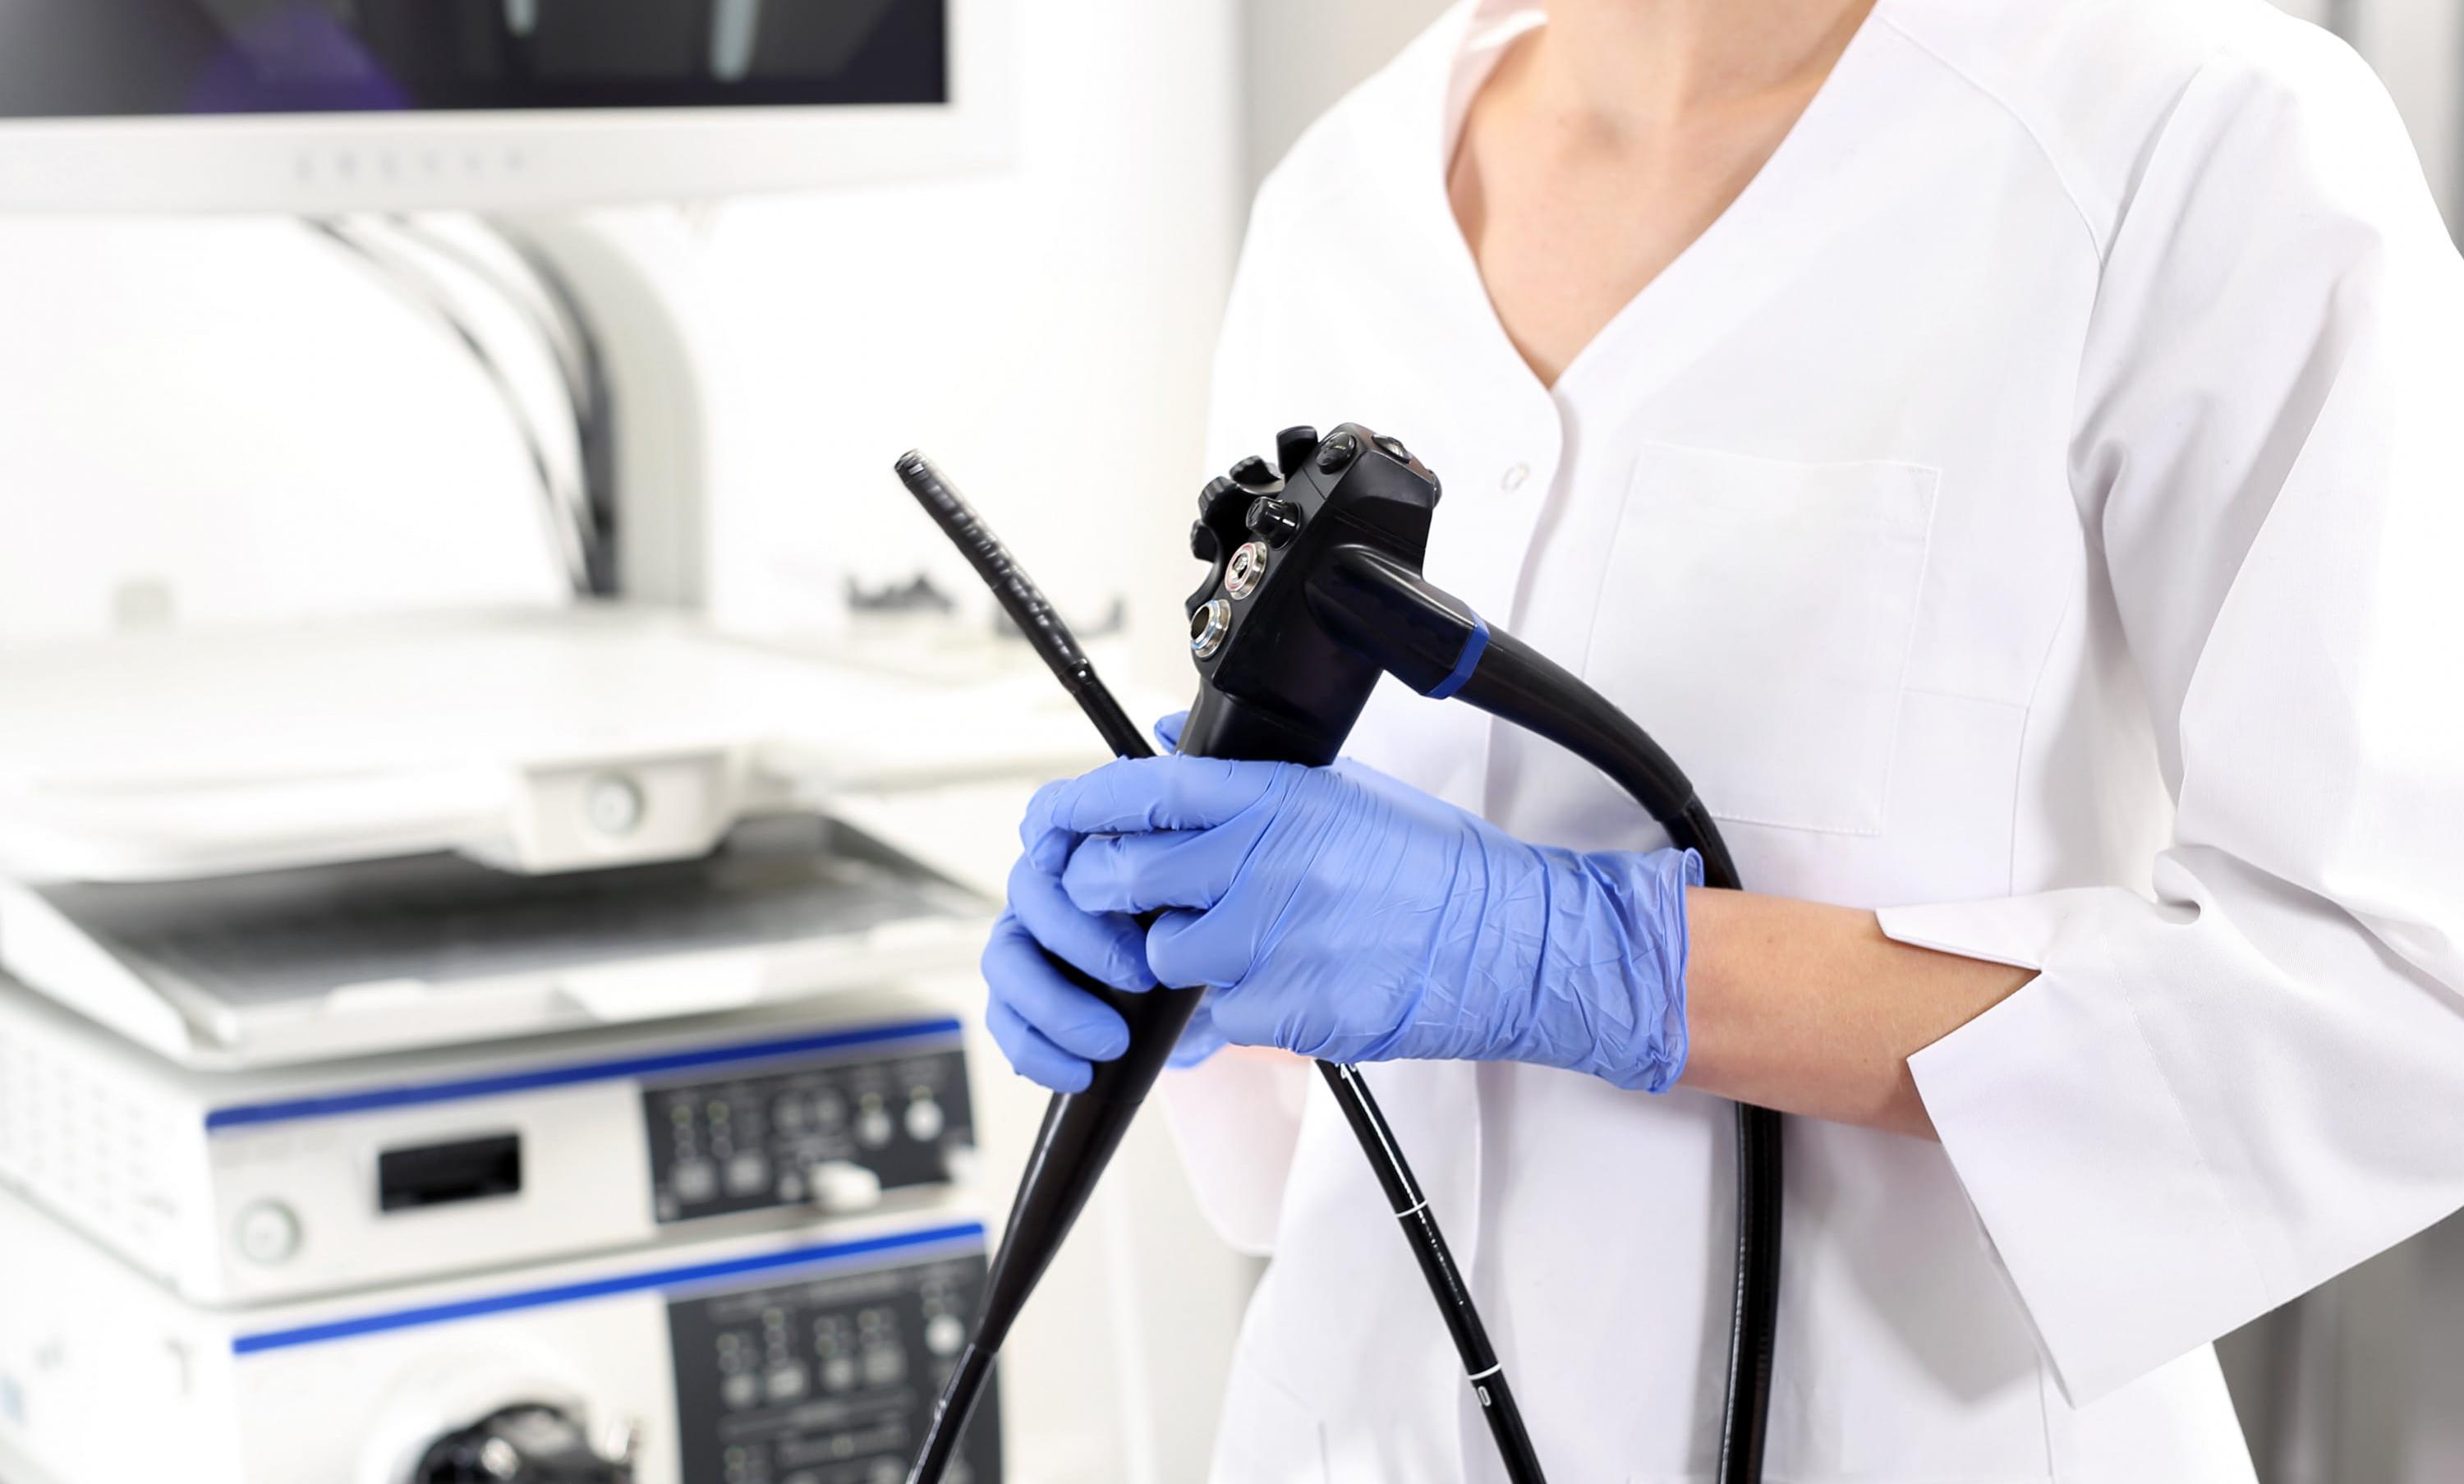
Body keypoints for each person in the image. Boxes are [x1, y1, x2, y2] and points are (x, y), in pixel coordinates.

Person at [983, 0, 2464, 1477]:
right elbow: (1286, 1128)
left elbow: (2399, 989)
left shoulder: (2195, 135)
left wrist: (1591, 960)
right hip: (1345, 1425)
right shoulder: (1338, 195)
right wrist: (1177, 935)